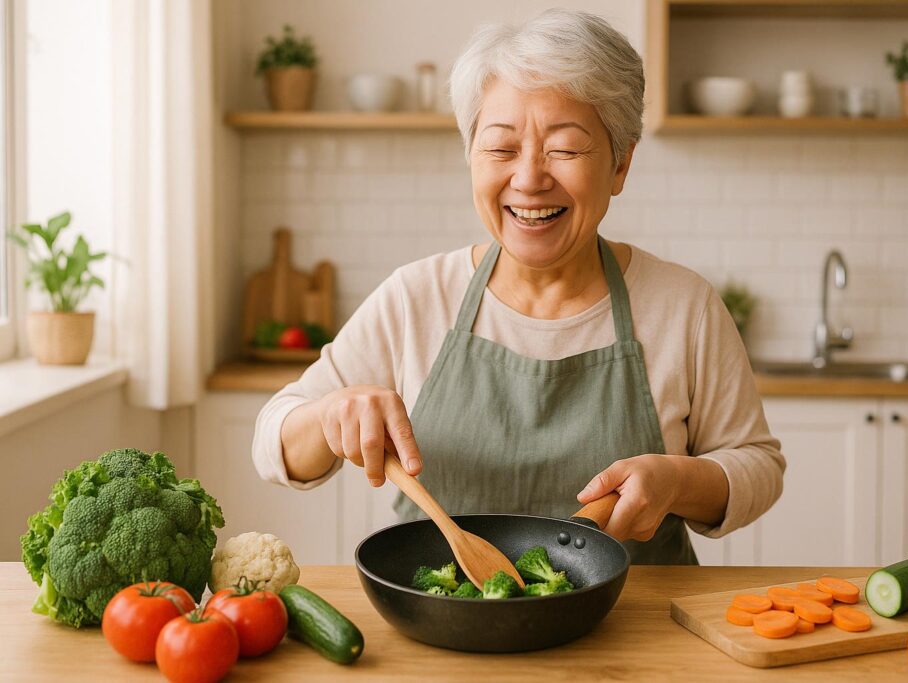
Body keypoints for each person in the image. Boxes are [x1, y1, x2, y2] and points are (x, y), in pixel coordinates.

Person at [252, 8, 784, 564]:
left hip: (637, 629)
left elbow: (756, 465)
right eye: (502, 149)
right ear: (470, 158)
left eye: (565, 149)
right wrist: (329, 414)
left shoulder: (682, 306)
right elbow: (273, 445)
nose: (529, 179)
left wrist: (678, 481)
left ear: (621, 165)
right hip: (445, 627)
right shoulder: (416, 297)